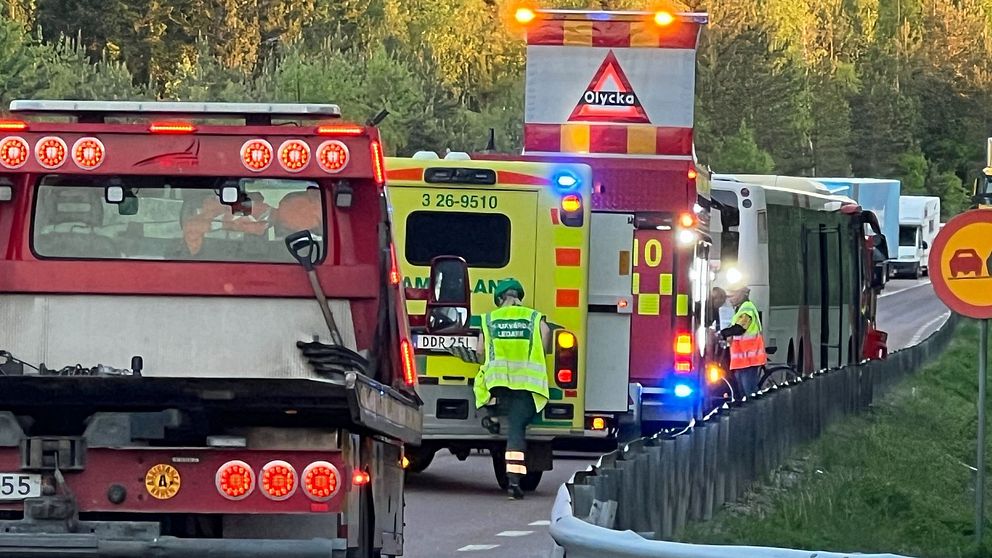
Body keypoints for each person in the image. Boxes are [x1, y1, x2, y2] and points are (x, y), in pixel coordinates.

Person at [473, 278, 551, 500]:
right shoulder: (533, 317)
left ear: (499, 298)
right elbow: (546, 338)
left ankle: (492, 417)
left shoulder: (489, 319)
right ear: (519, 296)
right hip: (526, 386)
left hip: (498, 386)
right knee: (517, 431)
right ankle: (514, 482)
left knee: (481, 384)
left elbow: (480, 352)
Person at [719, 286, 766, 397]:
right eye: (729, 296)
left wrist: (722, 333)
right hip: (742, 361)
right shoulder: (740, 309)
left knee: (749, 394)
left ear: (742, 294)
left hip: (749, 360)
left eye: (733, 295)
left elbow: (739, 328)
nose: (730, 299)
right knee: (744, 394)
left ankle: (755, 414)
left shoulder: (747, 309)